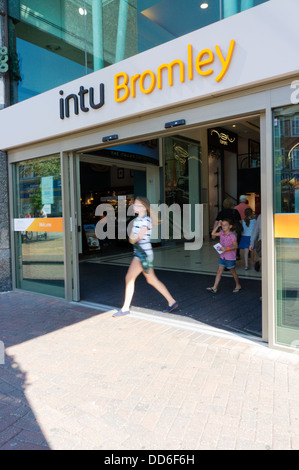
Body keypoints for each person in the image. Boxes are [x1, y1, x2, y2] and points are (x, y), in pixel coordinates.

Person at [113, 196, 178, 317]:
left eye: (137, 205)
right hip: (142, 253)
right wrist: (132, 238)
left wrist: (132, 238)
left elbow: (136, 238)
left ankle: (125, 307)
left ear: (144, 207)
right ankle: (172, 301)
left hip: (142, 254)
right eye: (134, 204)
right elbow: (132, 238)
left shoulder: (145, 220)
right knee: (151, 280)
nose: (134, 206)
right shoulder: (138, 220)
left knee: (129, 278)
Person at [207, 219, 242, 294]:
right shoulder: (221, 233)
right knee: (219, 271)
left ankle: (238, 285)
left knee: (232, 272)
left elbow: (236, 246)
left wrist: (227, 248)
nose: (223, 226)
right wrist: (217, 226)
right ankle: (215, 287)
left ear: (230, 226)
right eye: (222, 225)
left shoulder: (232, 236)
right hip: (222, 256)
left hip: (230, 258)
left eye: (225, 224)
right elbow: (213, 234)